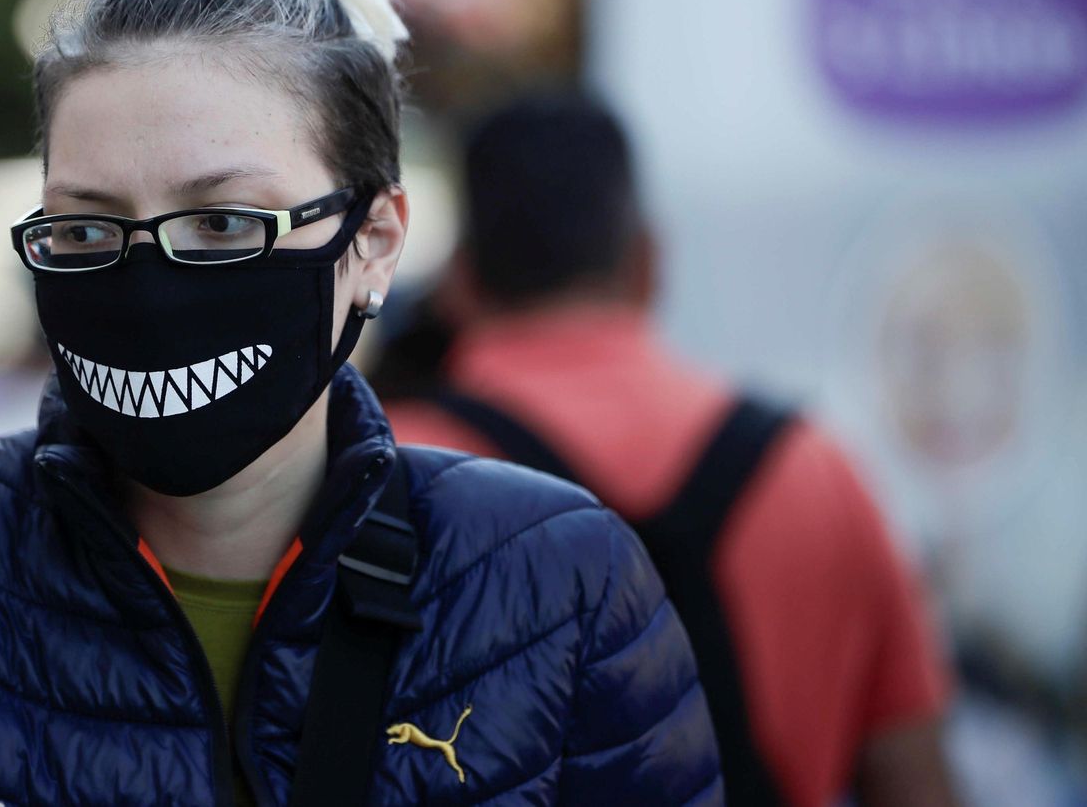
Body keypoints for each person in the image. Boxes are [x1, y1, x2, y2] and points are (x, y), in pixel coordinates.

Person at [0, 0, 721, 805]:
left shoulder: (562, 588)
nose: (150, 284)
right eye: (86, 228)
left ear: (372, 241)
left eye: (224, 222)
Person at [380, 91, 957, 807]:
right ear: (649, 262)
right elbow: (919, 784)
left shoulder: (383, 477)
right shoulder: (817, 471)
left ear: (458, 282)